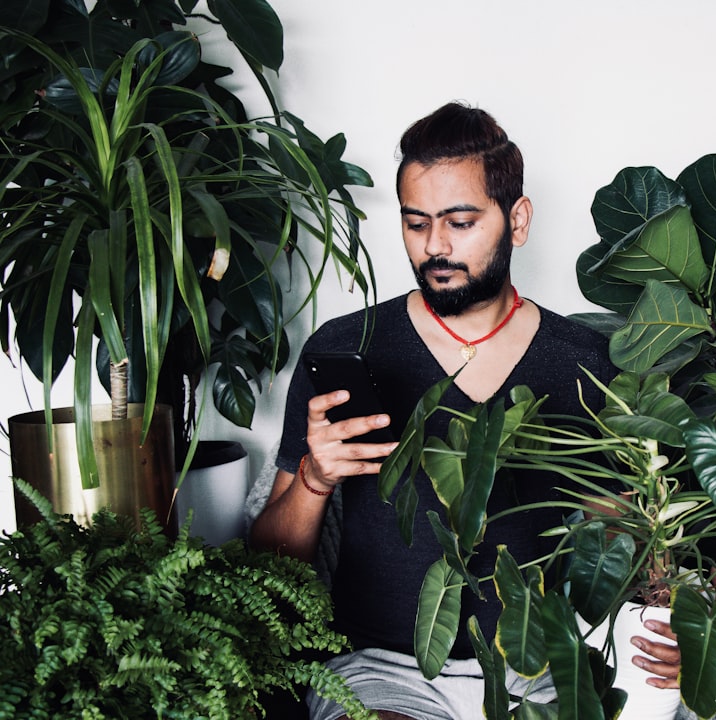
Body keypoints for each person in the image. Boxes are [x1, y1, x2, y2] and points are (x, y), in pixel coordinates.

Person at [250, 101, 681, 720]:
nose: (435, 247)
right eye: (416, 224)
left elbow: (621, 547)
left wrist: (671, 618)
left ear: (518, 219)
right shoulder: (346, 349)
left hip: (541, 672)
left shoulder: (588, 363)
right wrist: (316, 480)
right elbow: (267, 566)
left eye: (460, 221)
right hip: (381, 671)